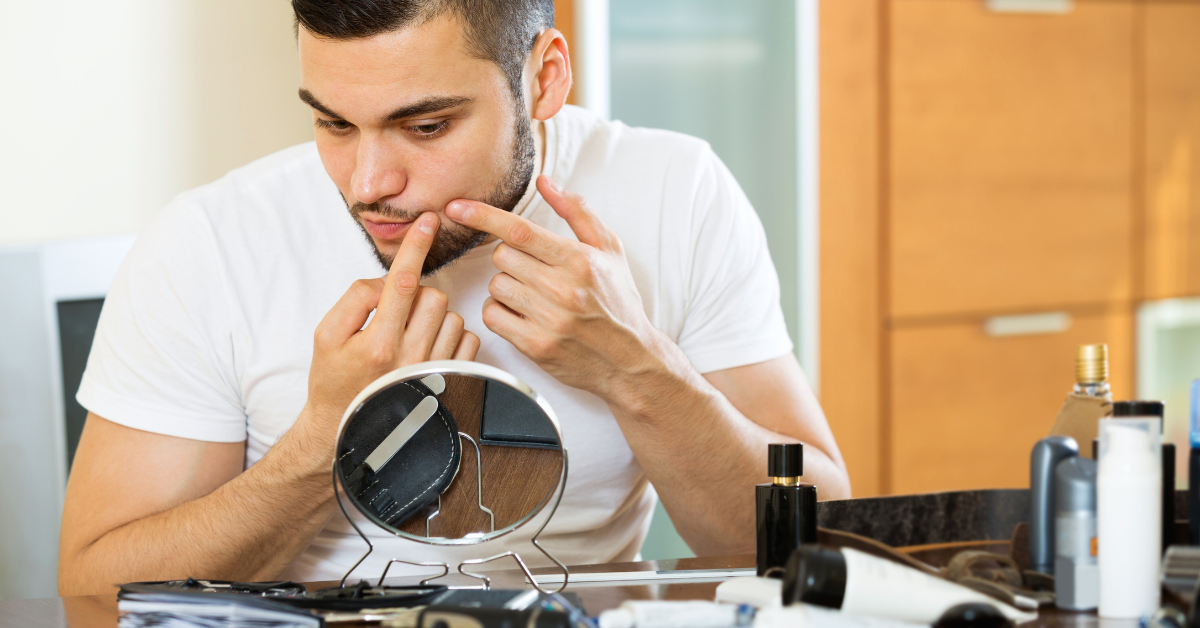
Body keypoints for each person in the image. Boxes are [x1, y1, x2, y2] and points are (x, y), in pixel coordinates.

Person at [57, 0, 850, 596]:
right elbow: (92, 588)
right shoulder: (210, 242)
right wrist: (323, 443)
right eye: (334, 123)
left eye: (426, 126)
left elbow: (817, 542)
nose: (370, 184)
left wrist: (637, 370)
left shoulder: (677, 192)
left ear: (544, 78)